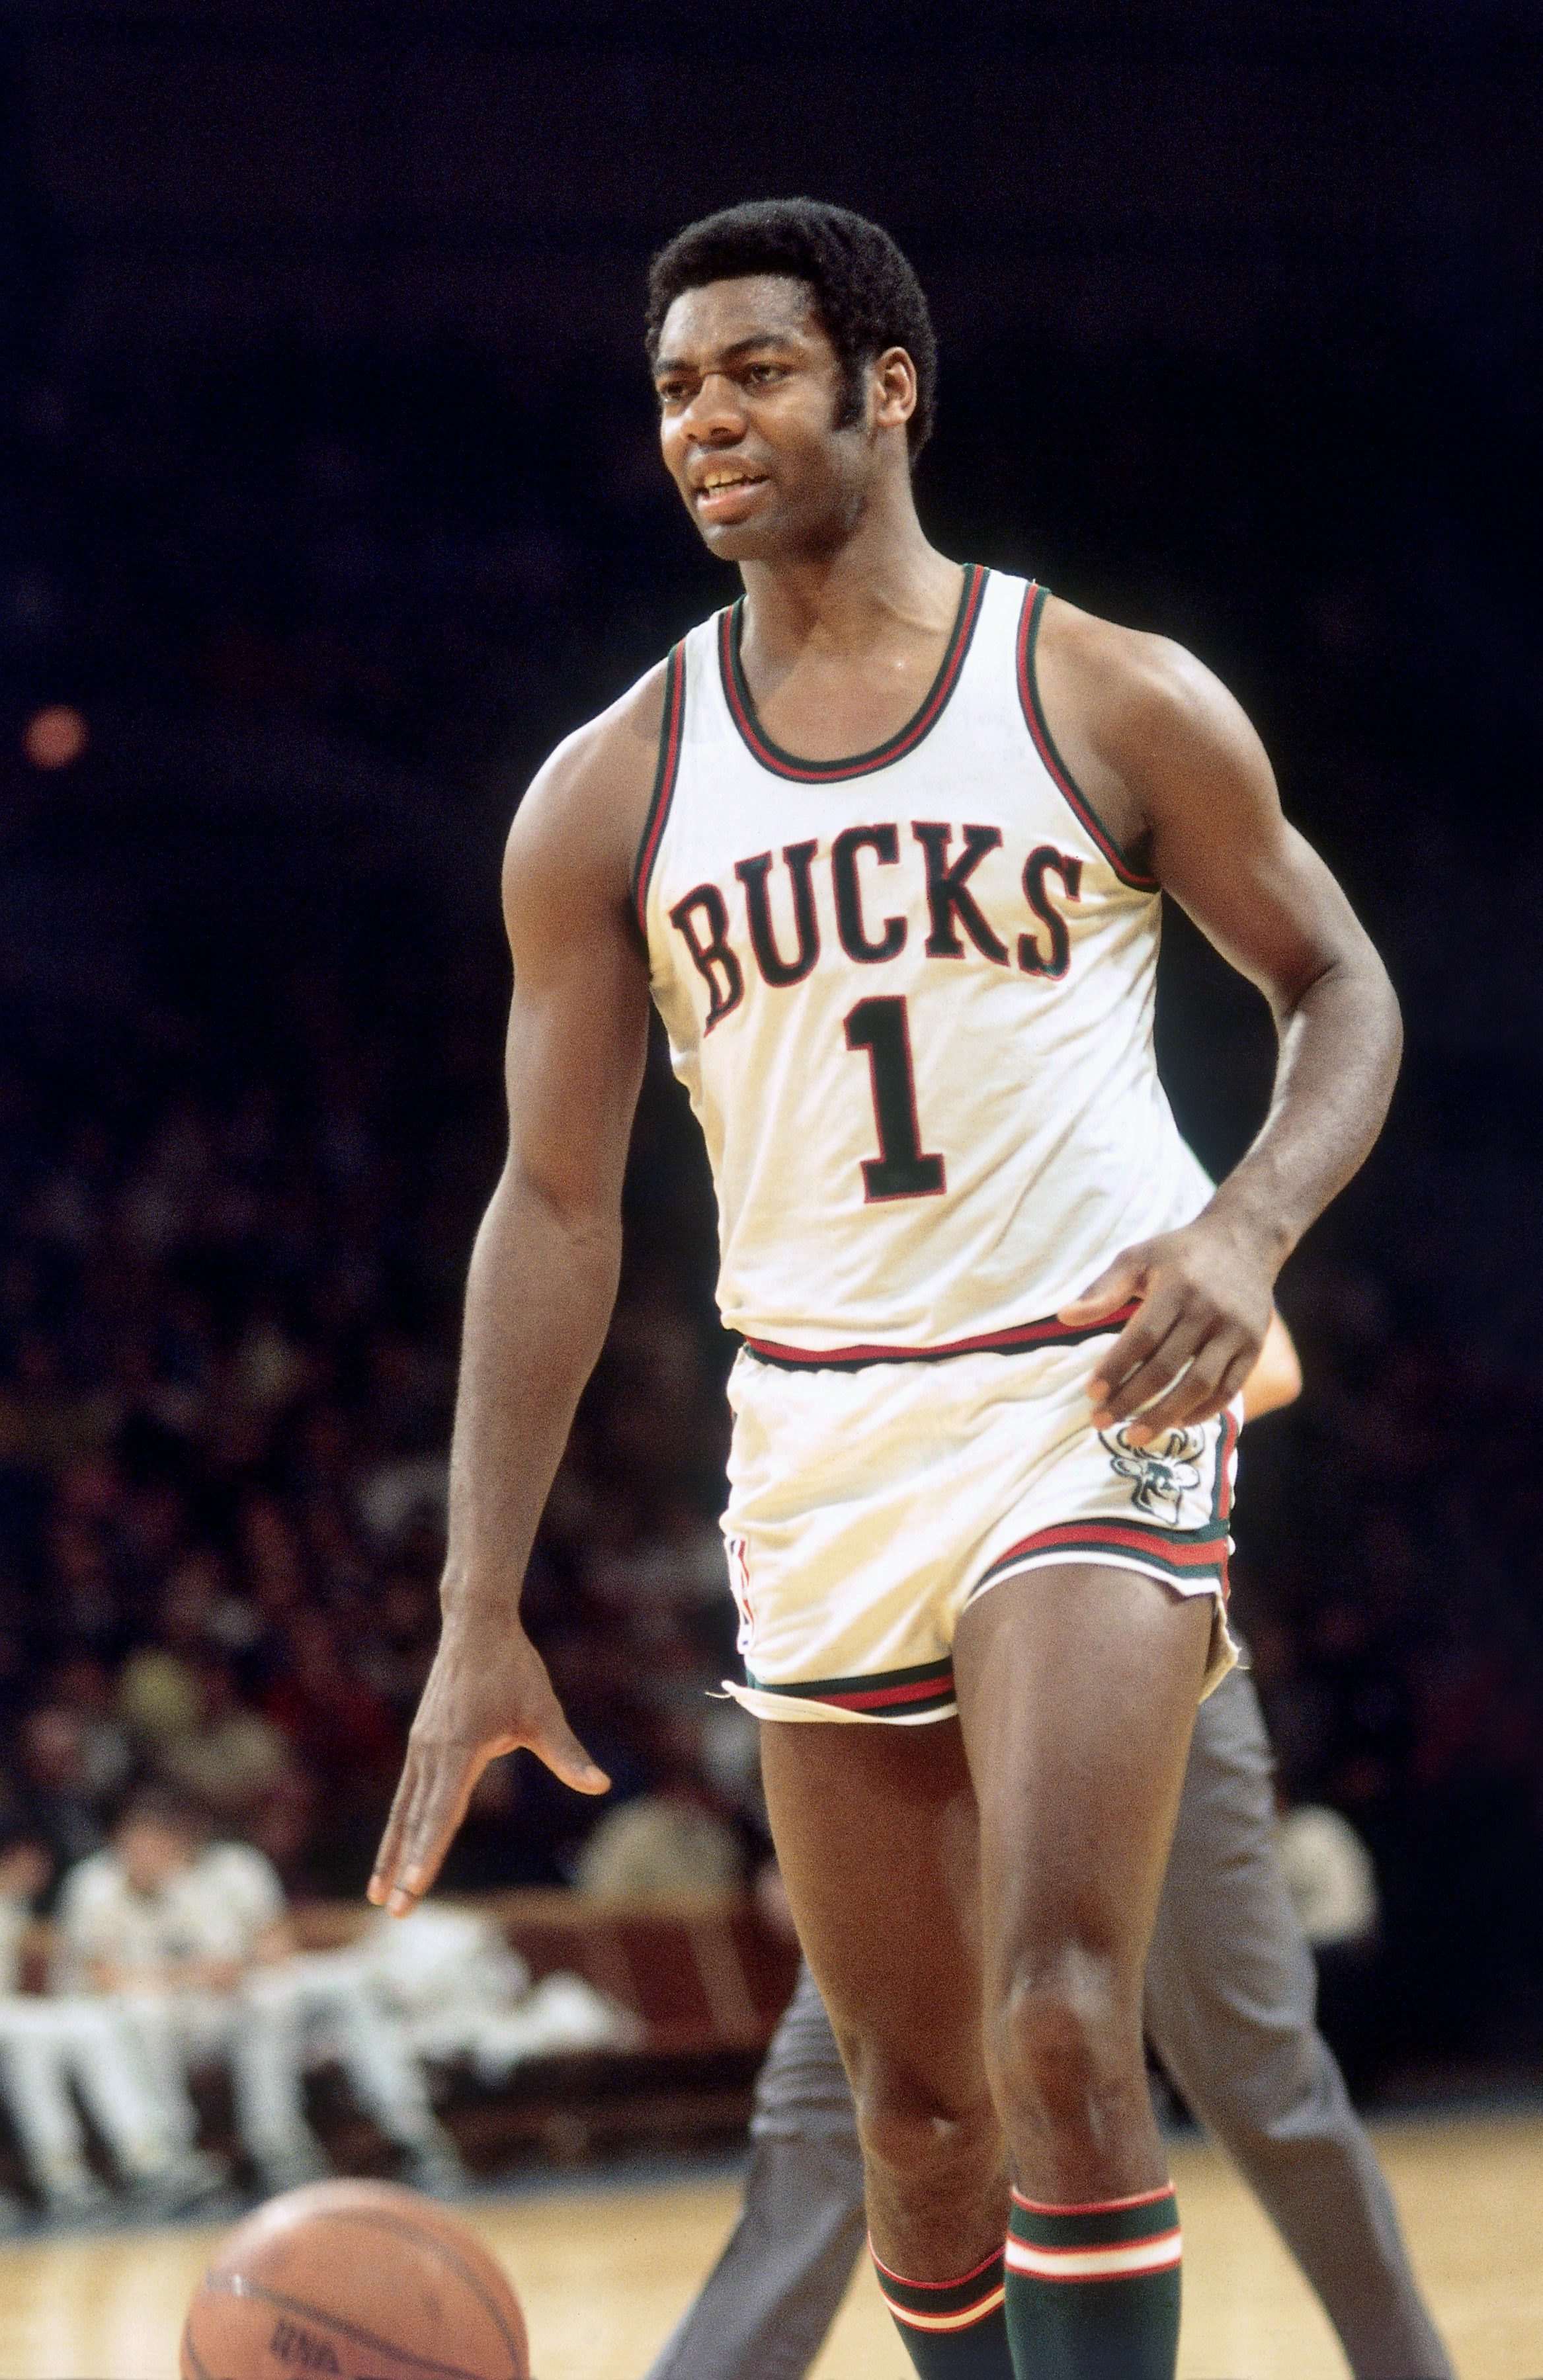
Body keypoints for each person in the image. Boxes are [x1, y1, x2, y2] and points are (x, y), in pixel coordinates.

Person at [368, 198, 1403, 2380]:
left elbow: (1339, 987)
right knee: (916, 2117)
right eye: (669, 389)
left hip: (1081, 1389)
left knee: (1053, 2018)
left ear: (884, 386)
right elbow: (550, 1207)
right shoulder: (605, 791)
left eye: (749, 371)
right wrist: (477, 1602)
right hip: (819, 1432)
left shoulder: (1096, 689)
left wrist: (1240, 1224)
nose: (703, 423)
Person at [643, 1328, 1454, 2380]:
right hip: (915, 1664)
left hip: (1125, 1647)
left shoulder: (1086, 1173)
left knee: (1255, 2071)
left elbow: (1277, 1358)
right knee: (850, 2098)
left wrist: (1032, 1408)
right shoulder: (844, 1225)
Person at [57, 1786, 466, 2198]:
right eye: (135, 1841)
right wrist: (193, 1976)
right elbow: (99, 1975)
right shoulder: (97, 1883)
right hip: (168, 2016)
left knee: (336, 1986)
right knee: (146, 2015)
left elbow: (276, 1943)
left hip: (237, 2000)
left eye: (156, 1842)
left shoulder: (233, 1867)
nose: (144, 1853)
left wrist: (239, 1967)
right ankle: (173, 2158)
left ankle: (405, 2128)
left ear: (182, 1840)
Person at [0, 1812, 224, 2224]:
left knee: (79, 2030)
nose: (42, 1868)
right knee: (33, 2032)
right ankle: (72, 2172)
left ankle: (108, 2166)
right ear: (16, 1855)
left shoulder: (6, 1902)